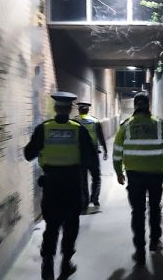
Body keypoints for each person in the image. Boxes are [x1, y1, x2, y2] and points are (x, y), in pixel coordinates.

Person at [24, 92, 100, 280]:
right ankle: (66, 266)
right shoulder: (78, 130)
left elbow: (28, 154)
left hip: (51, 186)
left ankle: (47, 266)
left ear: (56, 108)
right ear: (69, 109)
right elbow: (91, 158)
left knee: (51, 226)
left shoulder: (44, 129)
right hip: (73, 185)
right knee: (71, 225)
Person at [112, 92, 163, 266]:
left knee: (138, 212)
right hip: (155, 175)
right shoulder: (158, 125)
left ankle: (140, 251)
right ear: (148, 105)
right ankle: (154, 241)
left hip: (134, 176)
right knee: (155, 208)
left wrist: (118, 172)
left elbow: (117, 151)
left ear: (135, 106)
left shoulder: (126, 126)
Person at [75, 101, 108, 212]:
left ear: (79, 110)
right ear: (88, 110)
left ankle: (84, 202)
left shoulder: (75, 121)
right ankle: (94, 198)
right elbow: (100, 136)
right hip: (93, 152)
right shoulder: (94, 121)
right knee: (96, 177)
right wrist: (105, 150)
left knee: (82, 179)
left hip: (79, 153)